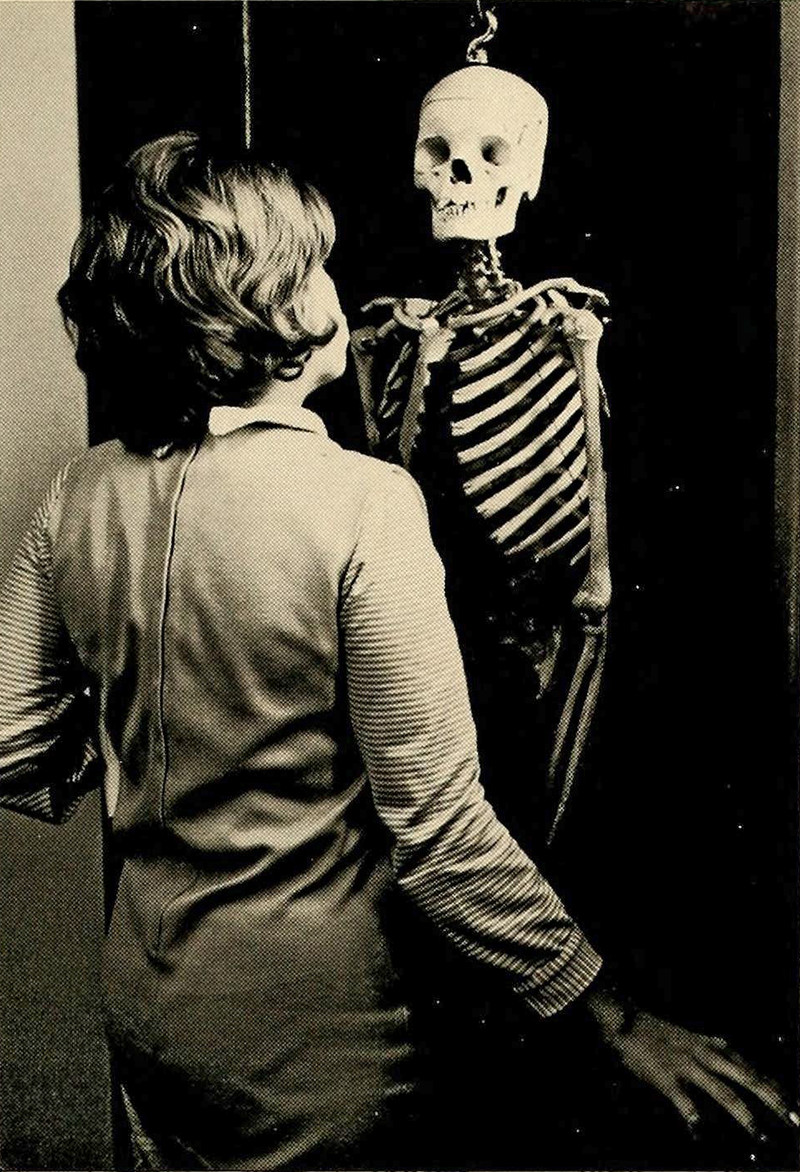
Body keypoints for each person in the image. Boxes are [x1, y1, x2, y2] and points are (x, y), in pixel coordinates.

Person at [0, 132, 793, 1172]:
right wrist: (611, 1015)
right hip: (314, 1033)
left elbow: (14, 748)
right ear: (263, 304)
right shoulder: (361, 503)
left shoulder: (80, 492)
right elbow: (438, 828)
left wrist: (171, 755)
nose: (334, 286)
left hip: (149, 1008)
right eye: (313, 265)